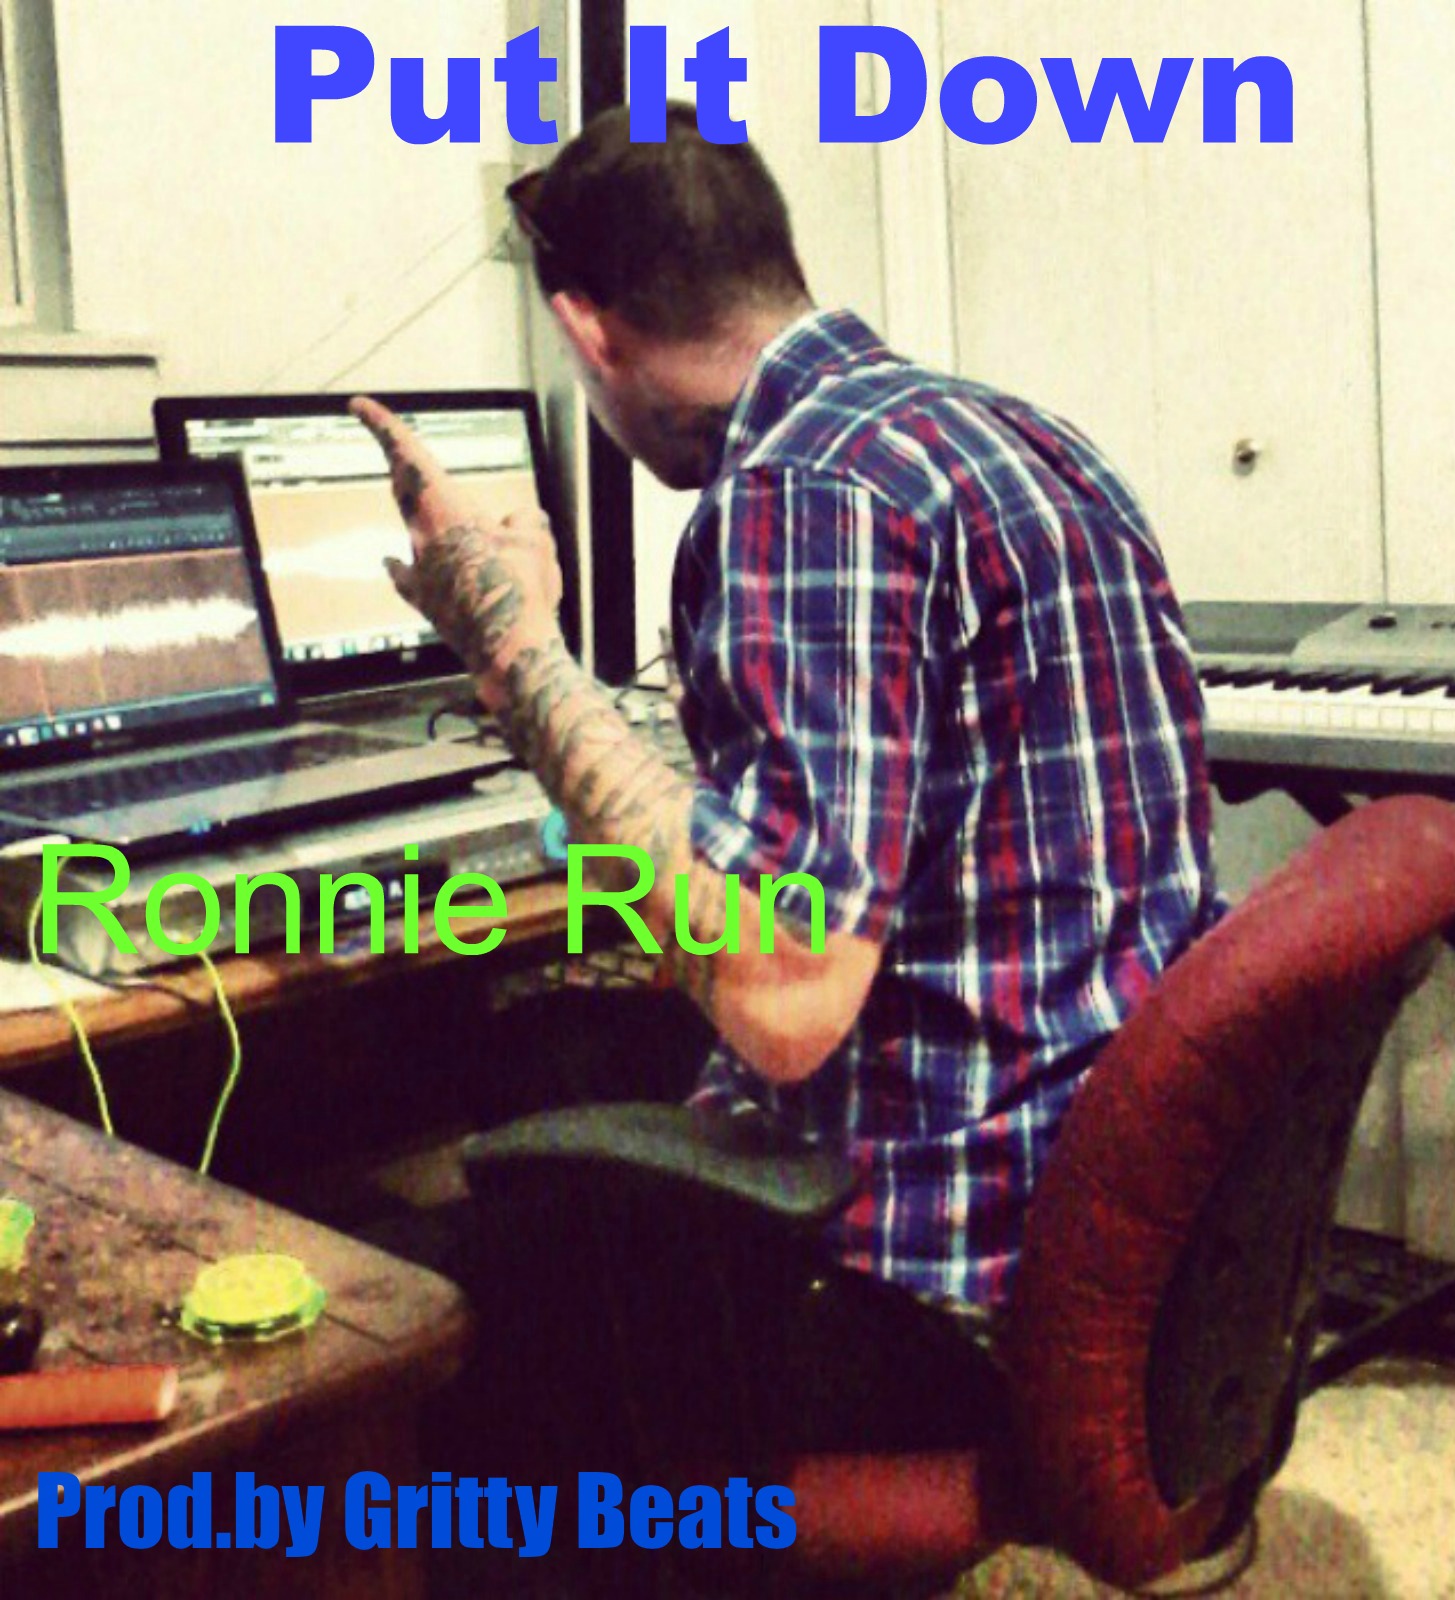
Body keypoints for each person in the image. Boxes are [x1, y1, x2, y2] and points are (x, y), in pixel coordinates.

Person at [352, 100, 1222, 1582]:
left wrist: (514, 647)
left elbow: (783, 1000)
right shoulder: (1016, 437)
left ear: (584, 327)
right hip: (1123, 1222)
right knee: (549, 1052)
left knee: (403, 1323)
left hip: (938, 1293)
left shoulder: (801, 494)